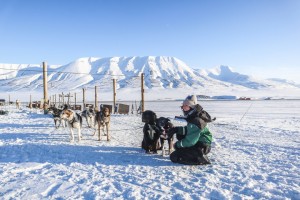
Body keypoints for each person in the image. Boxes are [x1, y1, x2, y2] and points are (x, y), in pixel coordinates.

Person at [168, 95, 213, 165]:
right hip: (200, 142)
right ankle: (194, 153)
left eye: (185, 106)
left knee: (174, 157)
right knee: (180, 135)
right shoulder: (194, 116)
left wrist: (177, 145)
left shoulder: (196, 120)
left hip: (202, 145)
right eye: (182, 106)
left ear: (192, 107)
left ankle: (199, 157)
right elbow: (190, 130)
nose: (183, 108)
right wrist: (176, 129)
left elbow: (190, 141)